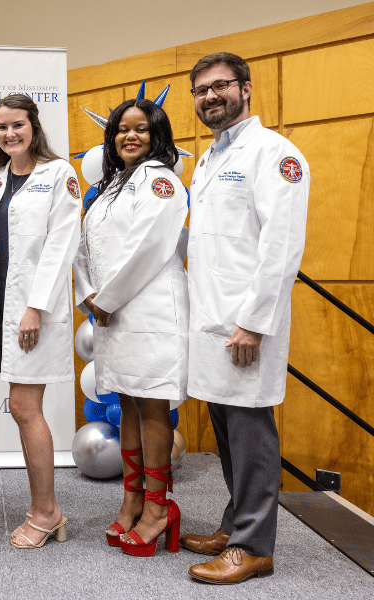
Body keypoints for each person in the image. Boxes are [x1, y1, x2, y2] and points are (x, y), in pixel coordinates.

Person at [182, 52, 309, 583]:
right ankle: (236, 522)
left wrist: (254, 322)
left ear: (246, 89)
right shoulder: (208, 158)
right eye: (201, 90)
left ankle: (254, 545)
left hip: (245, 324)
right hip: (210, 320)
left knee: (251, 430)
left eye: (220, 86)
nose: (210, 97)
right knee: (226, 430)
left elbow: (280, 247)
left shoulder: (275, 153)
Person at [73, 98, 189, 556]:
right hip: (109, 313)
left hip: (148, 310)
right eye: (122, 129)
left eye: (141, 129)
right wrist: (87, 294)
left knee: (153, 405)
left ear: (156, 134)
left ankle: (159, 508)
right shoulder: (110, 187)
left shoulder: (161, 180)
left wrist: (108, 298)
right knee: (126, 400)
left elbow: (151, 247)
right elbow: (84, 248)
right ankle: (133, 497)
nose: (130, 136)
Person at [0, 94, 80, 548]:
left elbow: (62, 246)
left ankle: (46, 512)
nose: (10, 134)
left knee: (23, 407)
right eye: (2, 127)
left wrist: (35, 307)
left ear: (34, 126)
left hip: (33, 312)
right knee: (22, 408)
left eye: (17, 125)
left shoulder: (59, 175)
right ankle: (46, 508)